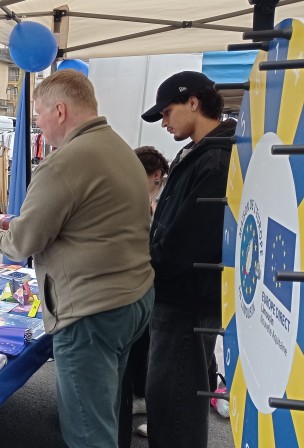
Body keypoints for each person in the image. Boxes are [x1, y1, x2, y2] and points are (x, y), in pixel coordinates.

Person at [0, 70, 155, 448]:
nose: (39, 125)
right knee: (103, 407)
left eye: (40, 115)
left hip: (90, 311)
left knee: (87, 430)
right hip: (130, 298)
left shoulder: (64, 162)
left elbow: (24, 242)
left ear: (59, 111)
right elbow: (89, 217)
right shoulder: (119, 148)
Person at [140, 71, 234, 448]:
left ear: (193, 102)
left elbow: (187, 240)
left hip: (185, 300)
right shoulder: (200, 152)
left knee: (174, 397)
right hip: (182, 296)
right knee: (176, 392)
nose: (164, 122)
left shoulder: (216, 158)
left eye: (167, 112)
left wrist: (147, 262)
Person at [118, 145, 169, 445]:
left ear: (156, 176)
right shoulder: (149, 198)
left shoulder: (161, 200)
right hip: (143, 287)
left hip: (153, 287)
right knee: (142, 349)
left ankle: (151, 407)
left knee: (154, 353)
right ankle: (141, 397)